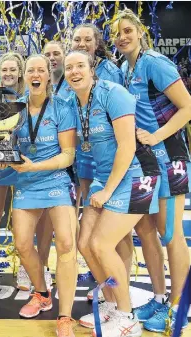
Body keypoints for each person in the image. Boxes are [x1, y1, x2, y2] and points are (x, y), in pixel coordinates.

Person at [65, 50, 162, 336]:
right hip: (105, 177)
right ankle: (110, 304)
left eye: (80, 65)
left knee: (102, 245)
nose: (74, 71)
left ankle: (127, 316)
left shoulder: (113, 93)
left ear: (91, 68)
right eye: (69, 67)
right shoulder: (74, 101)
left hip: (137, 175)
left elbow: (127, 146)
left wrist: (107, 191)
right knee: (85, 243)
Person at [112, 9, 191, 333]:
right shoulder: (123, 69)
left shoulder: (156, 62)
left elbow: (187, 105)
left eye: (128, 30)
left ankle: (178, 308)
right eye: (117, 34)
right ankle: (160, 297)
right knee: (147, 231)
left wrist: (157, 135)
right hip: (144, 162)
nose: (123, 37)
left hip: (171, 157)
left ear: (140, 32)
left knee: (171, 235)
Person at [6, 54, 77, 337]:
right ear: (24, 76)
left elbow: (68, 155)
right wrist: (6, 158)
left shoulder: (62, 106)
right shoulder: (14, 110)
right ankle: (42, 293)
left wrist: (36, 165)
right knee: (22, 245)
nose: (35, 74)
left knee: (67, 244)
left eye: (41, 70)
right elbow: (5, 144)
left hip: (57, 179)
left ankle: (65, 316)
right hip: (27, 182)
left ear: (49, 75)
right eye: (30, 70)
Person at [0, 51, 26, 290]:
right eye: (5, 70)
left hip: (24, 164)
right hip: (0, 163)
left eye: (13, 69)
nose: (9, 73)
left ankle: (26, 268)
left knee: (24, 222)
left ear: (20, 72)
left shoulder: (30, 98)